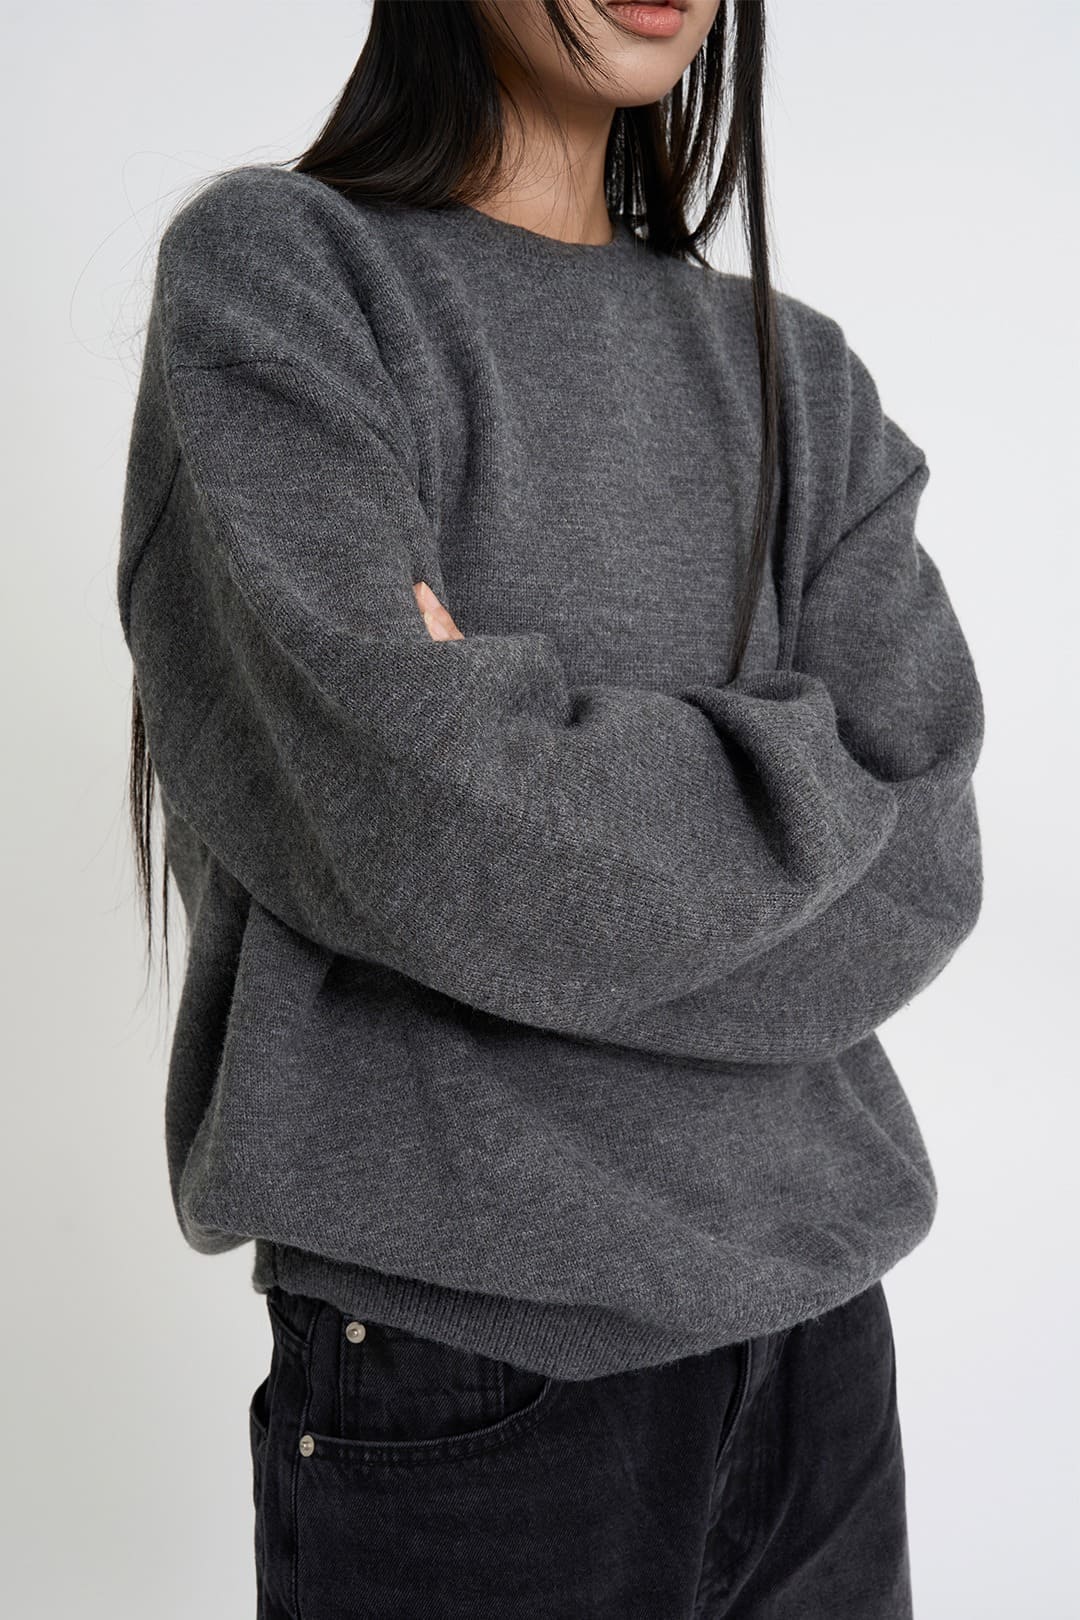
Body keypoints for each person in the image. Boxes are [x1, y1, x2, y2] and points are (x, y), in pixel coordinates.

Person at [116, 2, 984, 1615]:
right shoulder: (286, 279)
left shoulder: (803, 373)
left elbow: (923, 860)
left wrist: (523, 763)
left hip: (822, 1352)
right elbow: (429, 825)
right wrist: (792, 787)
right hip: (469, 1379)